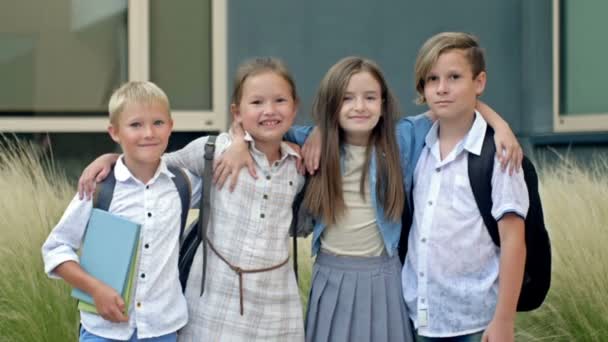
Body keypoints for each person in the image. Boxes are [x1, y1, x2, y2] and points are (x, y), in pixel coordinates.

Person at [217, 56, 522, 342]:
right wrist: (237, 142)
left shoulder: (402, 138)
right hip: (331, 277)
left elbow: (453, 106)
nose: (359, 107)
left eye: (370, 97)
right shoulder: (309, 140)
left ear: (383, 103)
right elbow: (259, 125)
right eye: (346, 98)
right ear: (332, 105)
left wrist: (502, 127)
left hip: (384, 278)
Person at [76, 57, 306, 341]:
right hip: (214, 299)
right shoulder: (212, 151)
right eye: (256, 103)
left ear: (295, 108)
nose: (269, 110)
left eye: (280, 101)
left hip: (278, 304)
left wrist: (312, 139)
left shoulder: (301, 165)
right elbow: (155, 164)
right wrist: (113, 158)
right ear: (236, 112)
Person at [42, 81, 201, 342]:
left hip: (163, 330)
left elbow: (228, 152)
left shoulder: (183, 184)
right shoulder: (98, 187)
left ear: (171, 127)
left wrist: (240, 145)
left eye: (158, 123)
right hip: (103, 331)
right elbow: (55, 249)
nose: (148, 133)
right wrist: (95, 290)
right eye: (135, 125)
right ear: (114, 132)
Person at [402, 32, 528, 342]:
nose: (442, 88)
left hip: (476, 323)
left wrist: (504, 320)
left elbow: (513, 240)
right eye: (432, 79)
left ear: (479, 82)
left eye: (454, 77)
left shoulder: (499, 155)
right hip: (418, 317)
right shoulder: (417, 144)